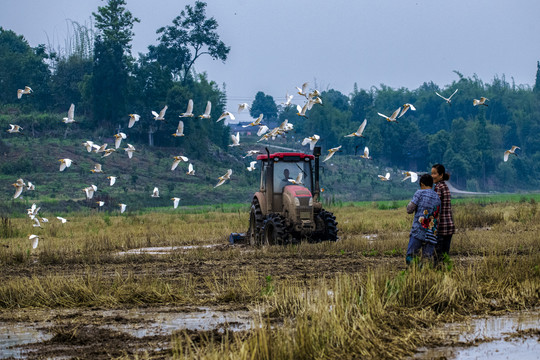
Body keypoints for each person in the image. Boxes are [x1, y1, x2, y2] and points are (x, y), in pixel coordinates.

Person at [406, 174, 441, 265]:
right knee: (427, 260)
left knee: (411, 257)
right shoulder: (437, 197)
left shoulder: (419, 193)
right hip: (432, 233)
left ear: (422, 184)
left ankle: (415, 272)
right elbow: (437, 216)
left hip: (419, 231)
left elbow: (409, 209)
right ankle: (425, 274)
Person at [431, 164, 455, 263]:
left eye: (434, 173)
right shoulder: (445, 186)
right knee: (445, 256)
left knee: (438, 257)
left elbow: (436, 208)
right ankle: (445, 275)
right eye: (431, 173)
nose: (432, 176)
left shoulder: (438, 187)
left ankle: (438, 275)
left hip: (441, 227)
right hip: (449, 225)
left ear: (441, 175)